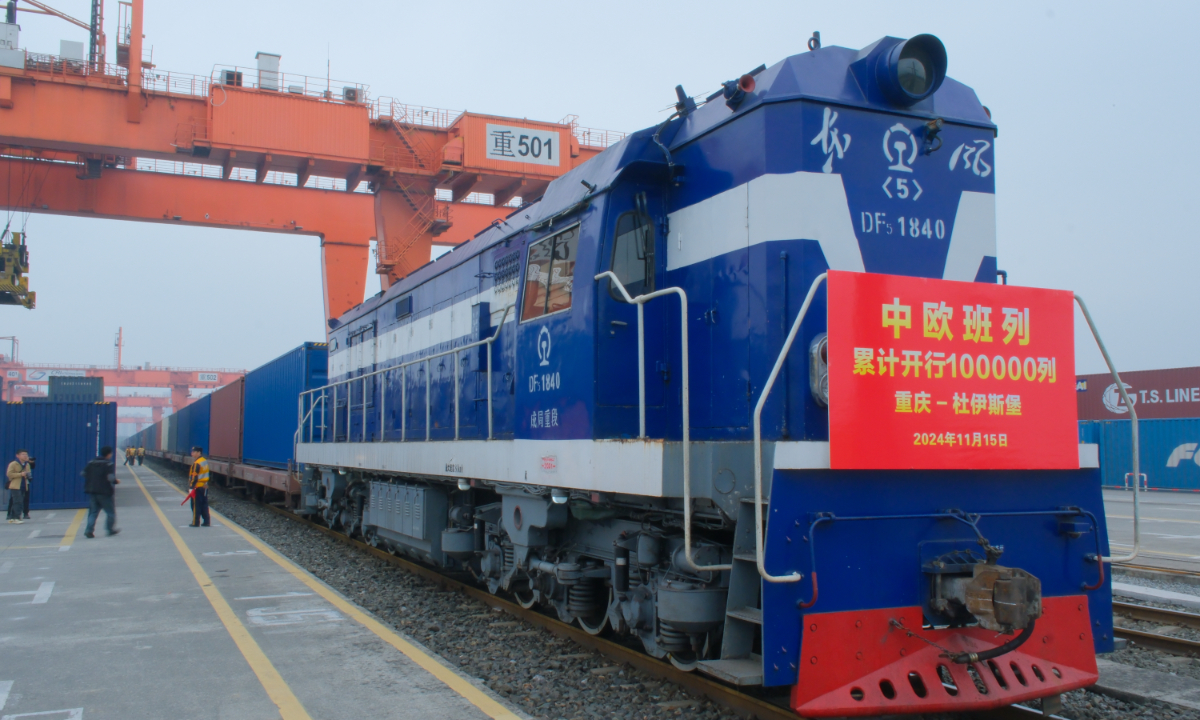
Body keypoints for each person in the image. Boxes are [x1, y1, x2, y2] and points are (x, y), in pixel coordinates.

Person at [82, 446, 119, 538]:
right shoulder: (108, 464)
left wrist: (93, 478)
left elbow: (83, 473)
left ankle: (89, 530)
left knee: (93, 512)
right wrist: (116, 481)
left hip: (93, 491)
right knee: (110, 512)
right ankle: (110, 530)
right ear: (109, 454)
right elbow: (110, 478)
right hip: (105, 492)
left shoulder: (92, 462)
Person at [6, 449, 31, 524]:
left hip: (24, 485)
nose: (25, 456)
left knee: (19, 501)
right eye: (23, 454)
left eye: (26, 454)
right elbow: (9, 474)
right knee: (18, 502)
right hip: (16, 486)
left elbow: (28, 473)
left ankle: (13, 517)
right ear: (18, 456)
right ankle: (16, 517)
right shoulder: (13, 464)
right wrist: (20, 474)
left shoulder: (27, 464)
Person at [188, 446, 210, 528]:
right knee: (204, 504)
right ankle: (207, 521)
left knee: (195, 505)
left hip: (197, 487)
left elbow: (194, 477)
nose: (192, 453)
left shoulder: (197, 463)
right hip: (205, 486)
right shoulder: (204, 461)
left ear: (199, 453)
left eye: (194, 451)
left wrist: (191, 487)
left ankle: (195, 522)